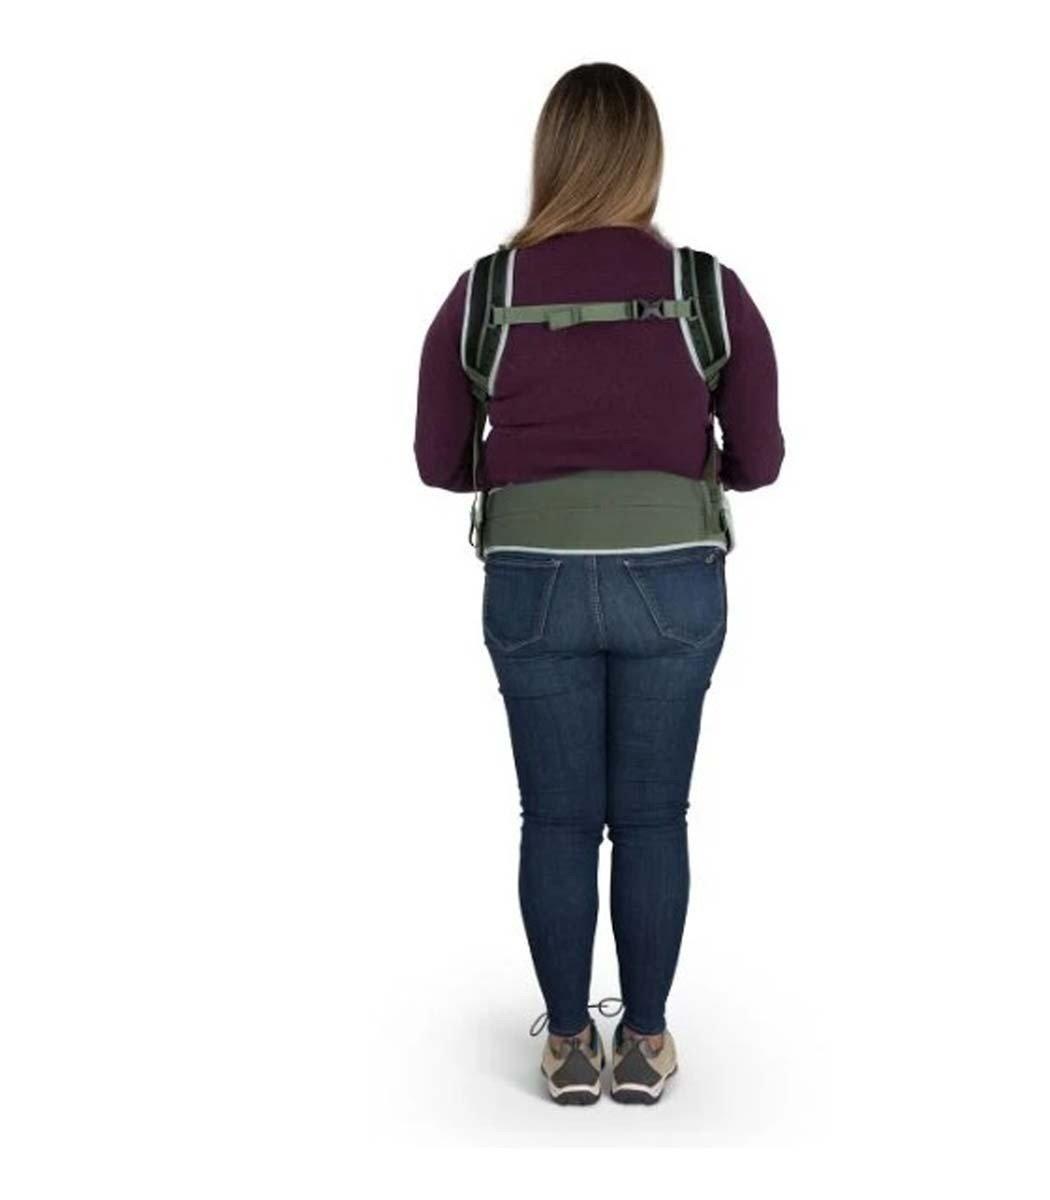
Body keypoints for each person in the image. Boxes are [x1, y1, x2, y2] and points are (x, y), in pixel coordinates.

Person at [415, 62, 784, 1104]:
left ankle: (572, 1045)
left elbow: (439, 461)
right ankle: (648, 1041)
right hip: (675, 581)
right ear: (647, 160)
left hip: (532, 586)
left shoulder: (484, 293)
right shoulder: (708, 290)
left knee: (558, 819)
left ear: (552, 157)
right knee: (654, 818)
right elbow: (759, 459)